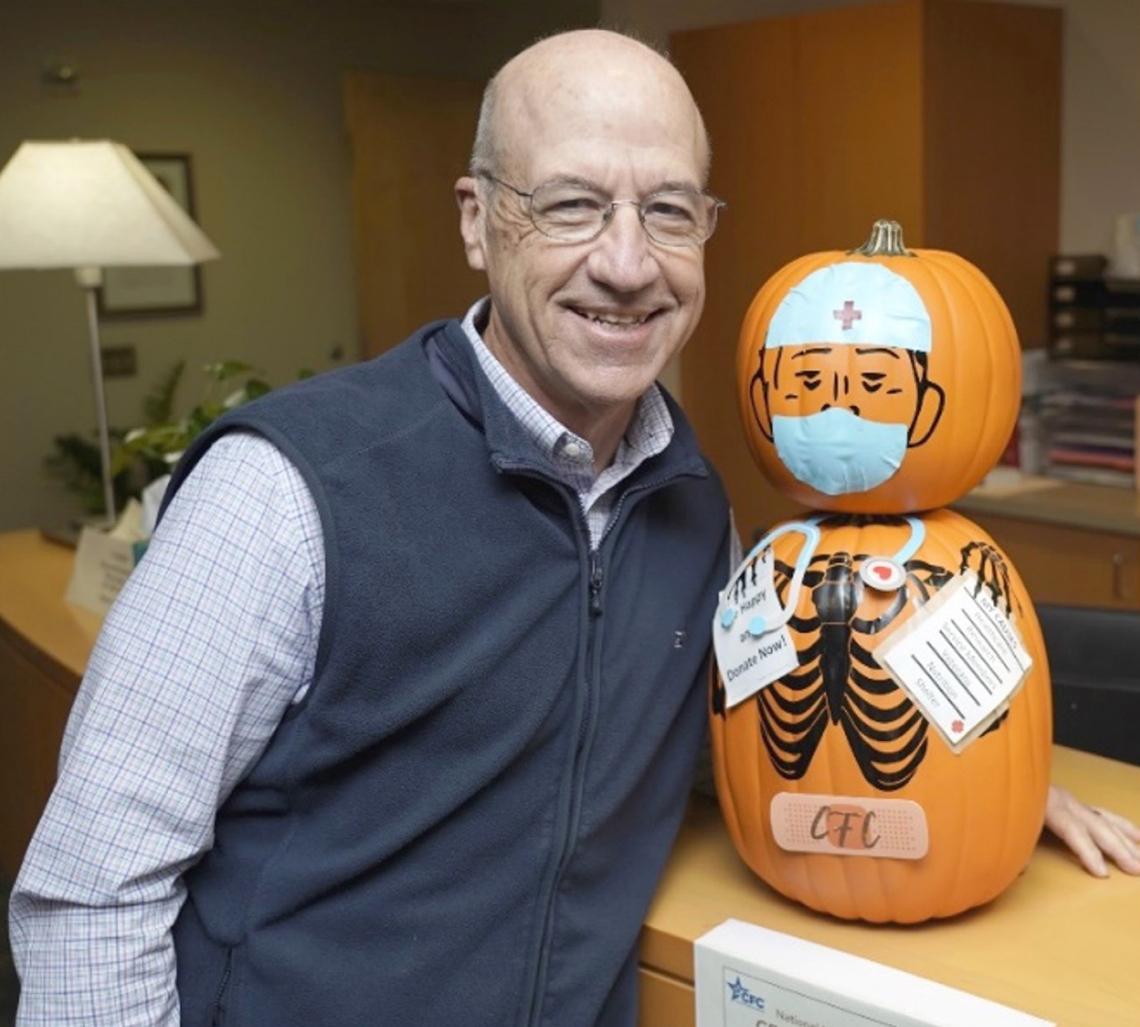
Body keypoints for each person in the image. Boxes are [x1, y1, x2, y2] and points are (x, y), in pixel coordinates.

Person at [9, 28, 1139, 1027]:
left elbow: (688, 736)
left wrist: (967, 781)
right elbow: (93, 888)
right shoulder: (286, 489)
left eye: (669, 210)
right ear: (476, 221)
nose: (628, 262)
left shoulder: (696, 499)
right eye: (570, 204)